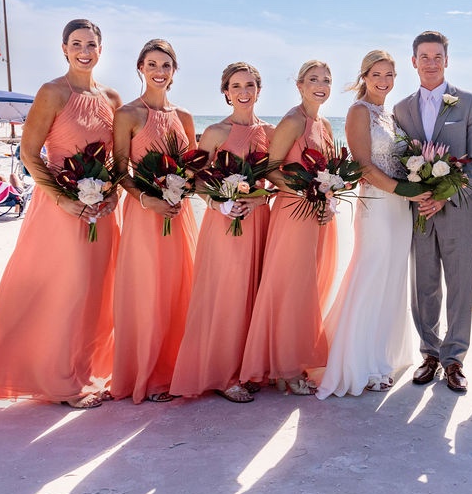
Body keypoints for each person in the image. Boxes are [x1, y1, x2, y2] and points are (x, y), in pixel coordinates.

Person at [0, 19, 122, 409]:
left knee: (97, 290)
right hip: (60, 208)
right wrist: (64, 199)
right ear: (64, 48)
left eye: (92, 44)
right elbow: (31, 156)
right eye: (77, 43)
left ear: (102, 49)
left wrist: (112, 193)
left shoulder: (112, 98)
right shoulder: (51, 92)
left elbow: (116, 158)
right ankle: (60, 381)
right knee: (66, 290)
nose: (85, 50)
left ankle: (85, 370)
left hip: (101, 209)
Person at [316, 51, 431, 399]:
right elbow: (364, 165)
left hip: (400, 208)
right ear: (364, 76)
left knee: (393, 277)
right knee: (371, 273)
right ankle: (358, 362)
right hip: (377, 205)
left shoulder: (391, 115)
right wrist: (406, 189)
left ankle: (381, 357)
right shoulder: (358, 112)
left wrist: (419, 185)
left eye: (390, 74)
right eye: (377, 74)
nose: (383, 81)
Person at [392, 31, 472, 393]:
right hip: (420, 213)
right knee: (424, 287)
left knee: (460, 288)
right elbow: (397, 163)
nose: (430, 63)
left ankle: (454, 360)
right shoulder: (401, 109)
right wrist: (418, 195)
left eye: (437, 56)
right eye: (424, 56)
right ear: (413, 61)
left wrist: (445, 196)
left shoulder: (469, 102)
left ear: (446, 61)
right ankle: (429, 353)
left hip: (460, 212)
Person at [171, 62, 274, 403]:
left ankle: (249, 368)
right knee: (226, 295)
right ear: (226, 92)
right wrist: (218, 204)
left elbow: (275, 181)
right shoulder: (215, 132)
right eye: (236, 86)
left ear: (259, 90)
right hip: (225, 221)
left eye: (249, 85)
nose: (243, 92)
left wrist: (258, 203)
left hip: (258, 219)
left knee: (254, 292)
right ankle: (223, 373)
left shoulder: (270, 133)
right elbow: (195, 177)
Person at [241, 60, 340, 395]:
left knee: (308, 288)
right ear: (299, 85)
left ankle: (295, 360)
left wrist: (328, 199)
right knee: (289, 289)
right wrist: (305, 192)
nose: (320, 85)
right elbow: (269, 169)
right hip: (294, 213)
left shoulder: (323, 124)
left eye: (326, 80)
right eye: (313, 79)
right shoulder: (293, 120)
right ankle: (284, 367)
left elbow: (327, 173)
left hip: (315, 214)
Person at [110, 39, 197, 404]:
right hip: (145, 214)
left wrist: (181, 191)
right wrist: (149, 200)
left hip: (178, 215)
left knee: (180, 287)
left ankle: (176, 368)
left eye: (166, 65)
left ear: (174, 72)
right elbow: (118, 171)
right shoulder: (128, 114)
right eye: (152, 65)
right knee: (147, 290)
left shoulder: (185, 116)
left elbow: (193, 168)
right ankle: (147, 375)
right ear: (140, 68)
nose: (159, 71)